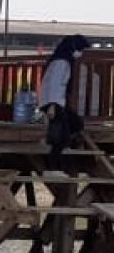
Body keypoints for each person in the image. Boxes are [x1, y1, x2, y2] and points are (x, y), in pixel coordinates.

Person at [38, 34, 89, 175]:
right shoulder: (62, 63)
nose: (81, 53)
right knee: (60, 136)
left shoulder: (61, 60)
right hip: (53, 102)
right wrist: (53, 105)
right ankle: (53, 168)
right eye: (81, 49)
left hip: (57, 102)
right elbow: (54, 85)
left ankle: (53, 147)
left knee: (76, 123)